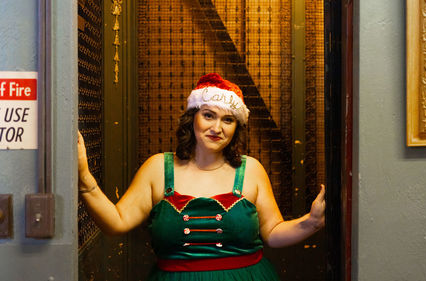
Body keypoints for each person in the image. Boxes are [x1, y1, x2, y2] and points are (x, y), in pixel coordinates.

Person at [78, 73, 326, 280]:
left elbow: (273, 233)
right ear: (192, 117)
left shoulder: (251, 170)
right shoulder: (158, 168)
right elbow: (116, 222)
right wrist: (84, 178)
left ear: (236, 127)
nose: (217, 128)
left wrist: (311, 221)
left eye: (228, 120)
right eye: (209, 115)